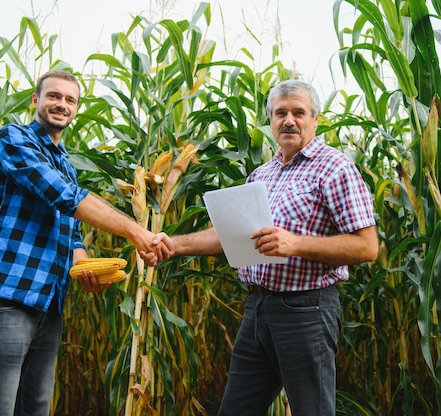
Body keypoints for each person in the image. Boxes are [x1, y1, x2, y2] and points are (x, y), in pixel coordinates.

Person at [157, 79, 379, 415]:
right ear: (271, 121)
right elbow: (228, 235)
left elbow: (367, 247)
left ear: (315, 119)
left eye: (298, 112)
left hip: (307, 311)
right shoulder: (262, 175)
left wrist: (296, 244)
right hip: (257, 309)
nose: (289, 120)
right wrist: (172, 244)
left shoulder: (334, 168)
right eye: (280, 113)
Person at [0, 70, 169, 416]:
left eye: (70, 99)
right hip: (4, 298)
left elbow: (71, 235)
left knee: (36, 409)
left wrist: (85, 266)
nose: (61, 104)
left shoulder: (66, 165)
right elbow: (63, 196)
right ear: (36, 101)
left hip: (47, 306)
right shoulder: (13, 139)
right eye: (53, 96)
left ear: (75, 108)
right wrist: (136, 231)